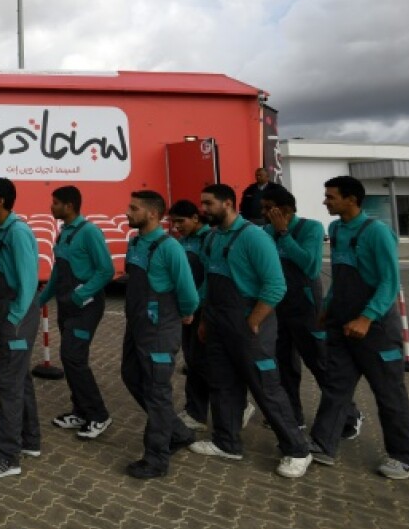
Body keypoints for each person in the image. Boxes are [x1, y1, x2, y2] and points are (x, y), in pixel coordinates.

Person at [189, 184, 312, 478]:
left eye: (208, 203)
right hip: (218, 323)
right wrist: (204, 320)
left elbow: (276, 286)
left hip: (249, 325)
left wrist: (254, 321)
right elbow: (209, 284)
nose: (203, 209)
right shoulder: (213, 238)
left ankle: (297, 450)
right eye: (202, 203)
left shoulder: (254, 238)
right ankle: (226, 442)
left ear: (228, 204)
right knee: (222, 384)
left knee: (266, 388)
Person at [309, 176, 409, 480]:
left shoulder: (377, 233)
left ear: (352, 199)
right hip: (341, 325)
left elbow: (390, 282)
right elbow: (341, 276)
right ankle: (322, 444)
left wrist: (367, 317)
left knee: (389, 393)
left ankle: (404, 457)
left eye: (331, 197)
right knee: (336, 387)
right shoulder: (336, 229)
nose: (325, 201)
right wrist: (327, 307)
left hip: (376, 329)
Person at [261, 184, 361, 436]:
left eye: (267, 208)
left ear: (284, 210)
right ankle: (292, 416)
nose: (263, 213)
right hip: (278, 308)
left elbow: (311, 266)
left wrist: (284, 234)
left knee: (320, 362)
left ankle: (348, 416)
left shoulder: (311, 229)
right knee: (284, 365)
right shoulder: (265, 231)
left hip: (307, 308)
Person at [119, 191, 199, 479]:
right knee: (131, 375)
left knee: (157, 392)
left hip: (159, 330)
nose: (127, 212)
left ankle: (156, 459)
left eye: (134, 208)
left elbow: (188, 293)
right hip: (136, 326)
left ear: (152, 214)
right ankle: (178, 431)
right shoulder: (135, 242)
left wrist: (186, 313)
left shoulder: (170, 248)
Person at [0, 178, 40, 481]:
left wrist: (13, 318)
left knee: (9, 385)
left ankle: (7, 457)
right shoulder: (2, 229)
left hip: (18, 318)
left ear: (0, 201)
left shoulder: (18, 232)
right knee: (20, 379)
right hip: (10, 314)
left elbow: (28, 281)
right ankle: (30, 440)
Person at [38, 185, 116, 440]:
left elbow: (106, 270)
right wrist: (41, 299)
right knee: (70, 357)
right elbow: (58, 272)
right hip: (66, 306)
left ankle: (99, 415)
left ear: (69, 206)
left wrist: (80, 295)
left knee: (73, 358)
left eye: (55, 203)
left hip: (86, 308)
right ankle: (80, 412)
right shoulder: (63, 233)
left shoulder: (89, 232)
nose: (51, 207)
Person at [167, 200, 213, 431]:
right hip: (187, 308)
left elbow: (210, 277)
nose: (176, 227)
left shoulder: (209, 239)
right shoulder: (182, 241)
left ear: (195, 218)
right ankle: (194, 409)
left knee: (201, 360)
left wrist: (196, 305)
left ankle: (235, 405)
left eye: (180, 221)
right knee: (192, 359)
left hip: (202, 309)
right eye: (173, 222)